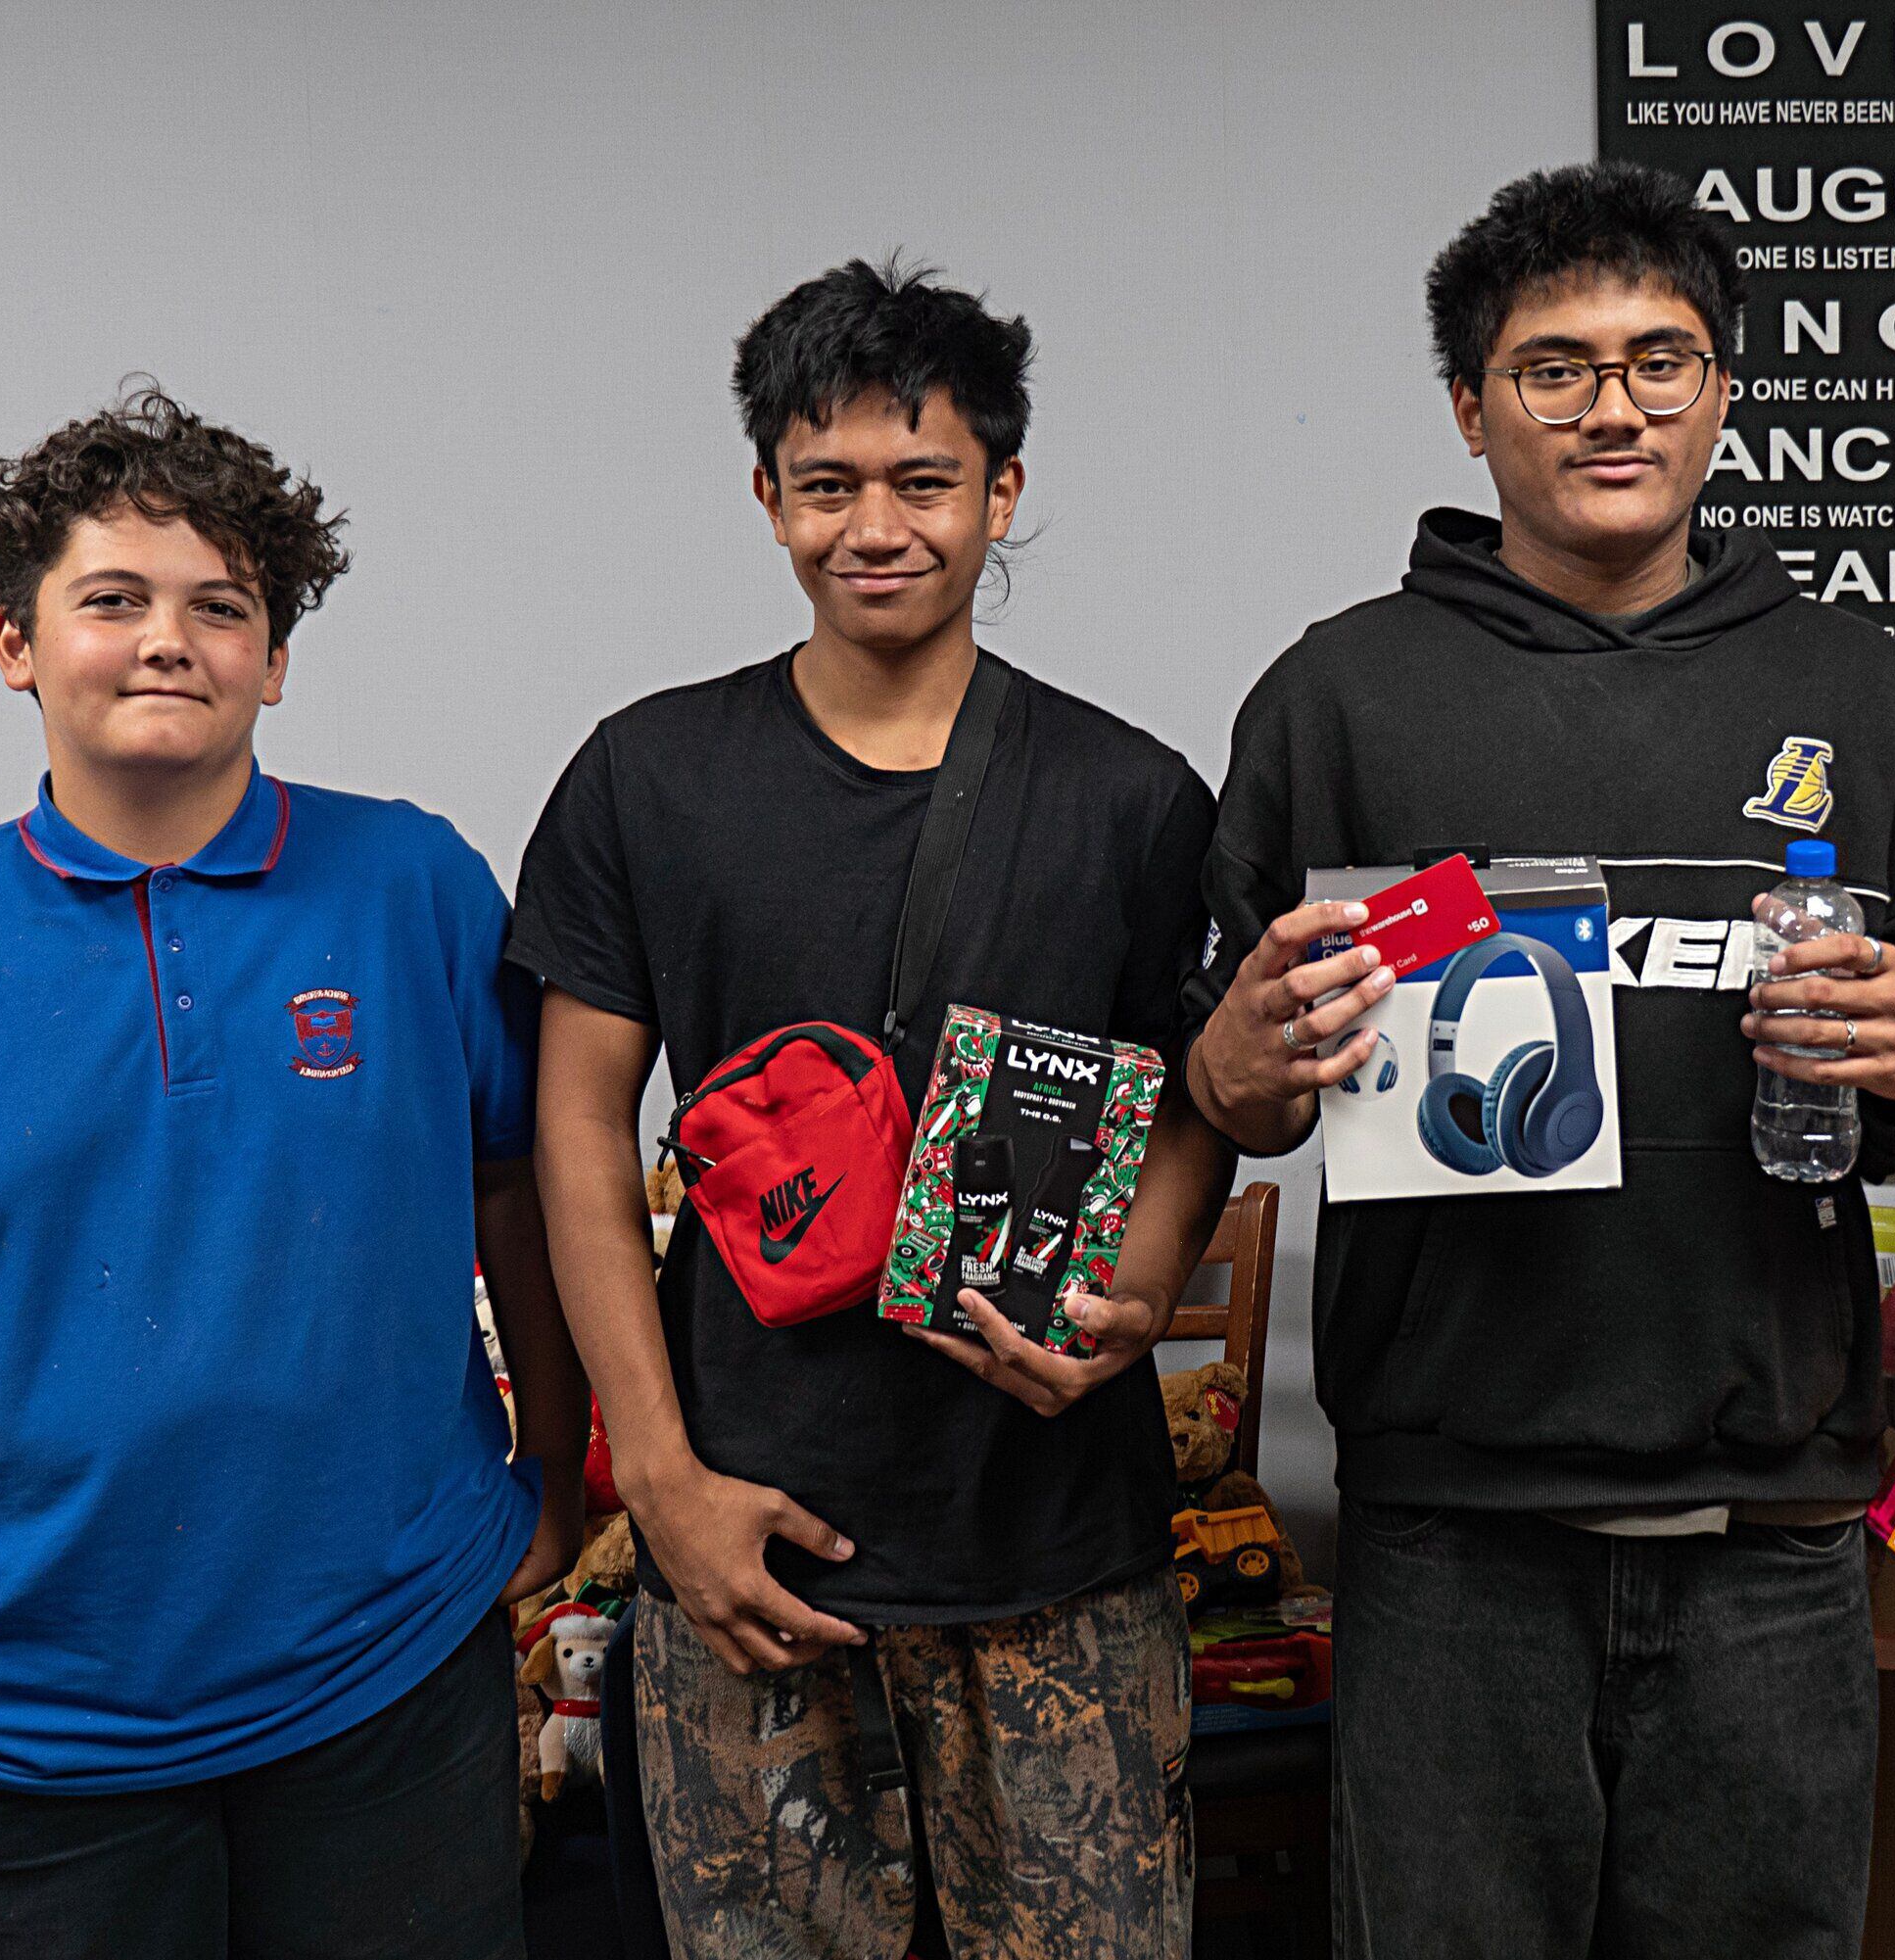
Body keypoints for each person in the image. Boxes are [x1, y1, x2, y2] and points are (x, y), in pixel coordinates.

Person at [0, 388, 585, 1959]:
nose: (170, 637)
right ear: (18, 644)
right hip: (12, 1714)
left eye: (222, 606)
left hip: (387, 1669)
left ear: (274, 660)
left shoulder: (415, 881)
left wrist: (554, 1466)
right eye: (112, 599)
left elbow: (521, 1189)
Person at [1184, 160, 1895, 1958]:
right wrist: (1241, 1053)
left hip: (1776, 1529)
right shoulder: (1341, 695)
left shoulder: (1863, 695)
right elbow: (1226, 1090)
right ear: (1472, 409)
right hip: (1453, 1536)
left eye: (1661, 359)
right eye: (1554, 368)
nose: (1612, 405)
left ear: (1723, 390)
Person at [508, 258, 1230, 1959]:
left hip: (1055, 1534)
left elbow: (1196, 1096)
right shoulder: (648, 774)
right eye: (827, 485)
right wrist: (662, 1485)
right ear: (766, 495)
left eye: (924, 479)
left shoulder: (1130, 797)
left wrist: (1134, 1294)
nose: (876, 526)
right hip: (753, 1544)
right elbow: (577, 1136)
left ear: (1003, 489)